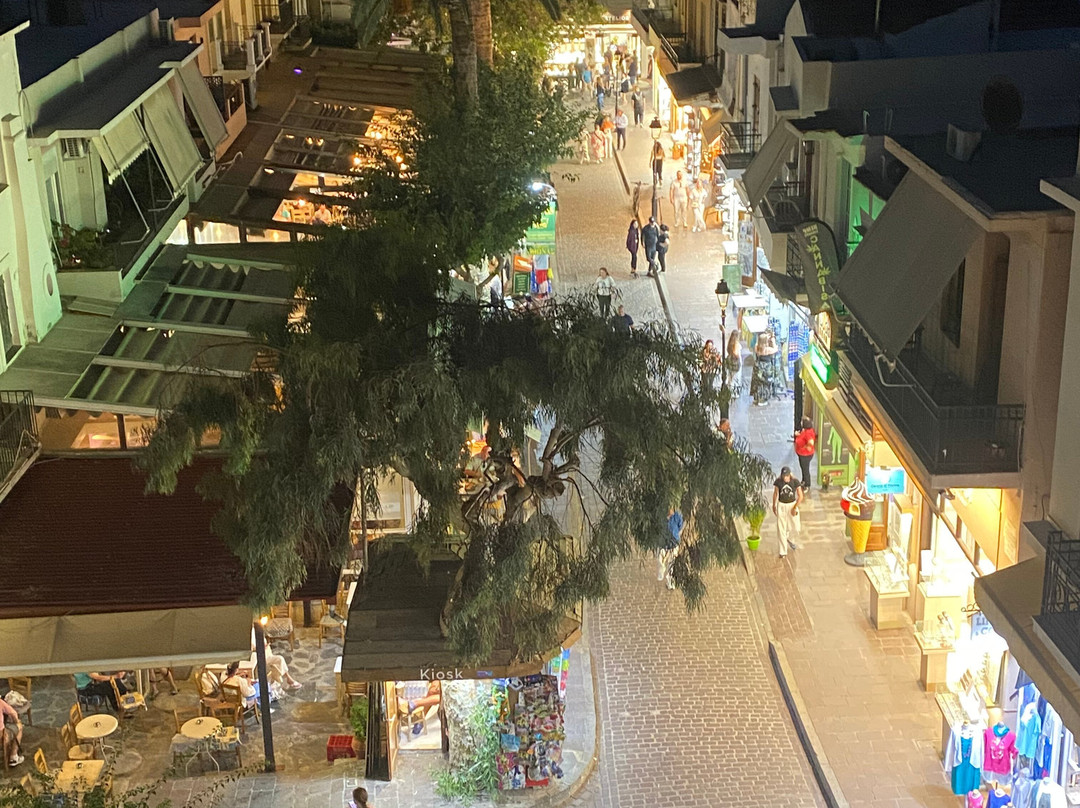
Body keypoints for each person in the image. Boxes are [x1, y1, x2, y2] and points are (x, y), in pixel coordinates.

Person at [772, 467, 804, 558]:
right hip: (782, 505)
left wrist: (795, 507)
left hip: (792, 504)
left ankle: (790, 538)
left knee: (796, 526)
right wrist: (774, 505)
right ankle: (783, 551)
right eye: (784, 476)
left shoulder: (795, 482)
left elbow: (800, 496)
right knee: (781, 527)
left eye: (786, 476)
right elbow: (775, 493)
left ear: (789, 475)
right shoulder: (778, 482)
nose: (785, 478)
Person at [657, 507, 683, 589]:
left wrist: (676, 534)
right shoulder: (661, 516)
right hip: (663, 541)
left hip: (674, 541)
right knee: (660, 557)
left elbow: (680, 526)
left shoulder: (677, 516)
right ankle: (661, 568)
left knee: (672, 562)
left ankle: (670, 582)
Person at [795, 416, 817, 492]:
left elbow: (811, 442)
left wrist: (805, 447)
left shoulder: (808, 433)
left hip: (805, 455)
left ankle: (807, 485)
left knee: (805, 470)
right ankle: (804, 480)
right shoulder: (805, 430)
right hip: (801, 453)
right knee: (803, 468)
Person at [1, 697, 23, 767]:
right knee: (19, 726)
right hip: (1, 737)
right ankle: (13, 756)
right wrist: (16, 721)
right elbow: (13, 713)